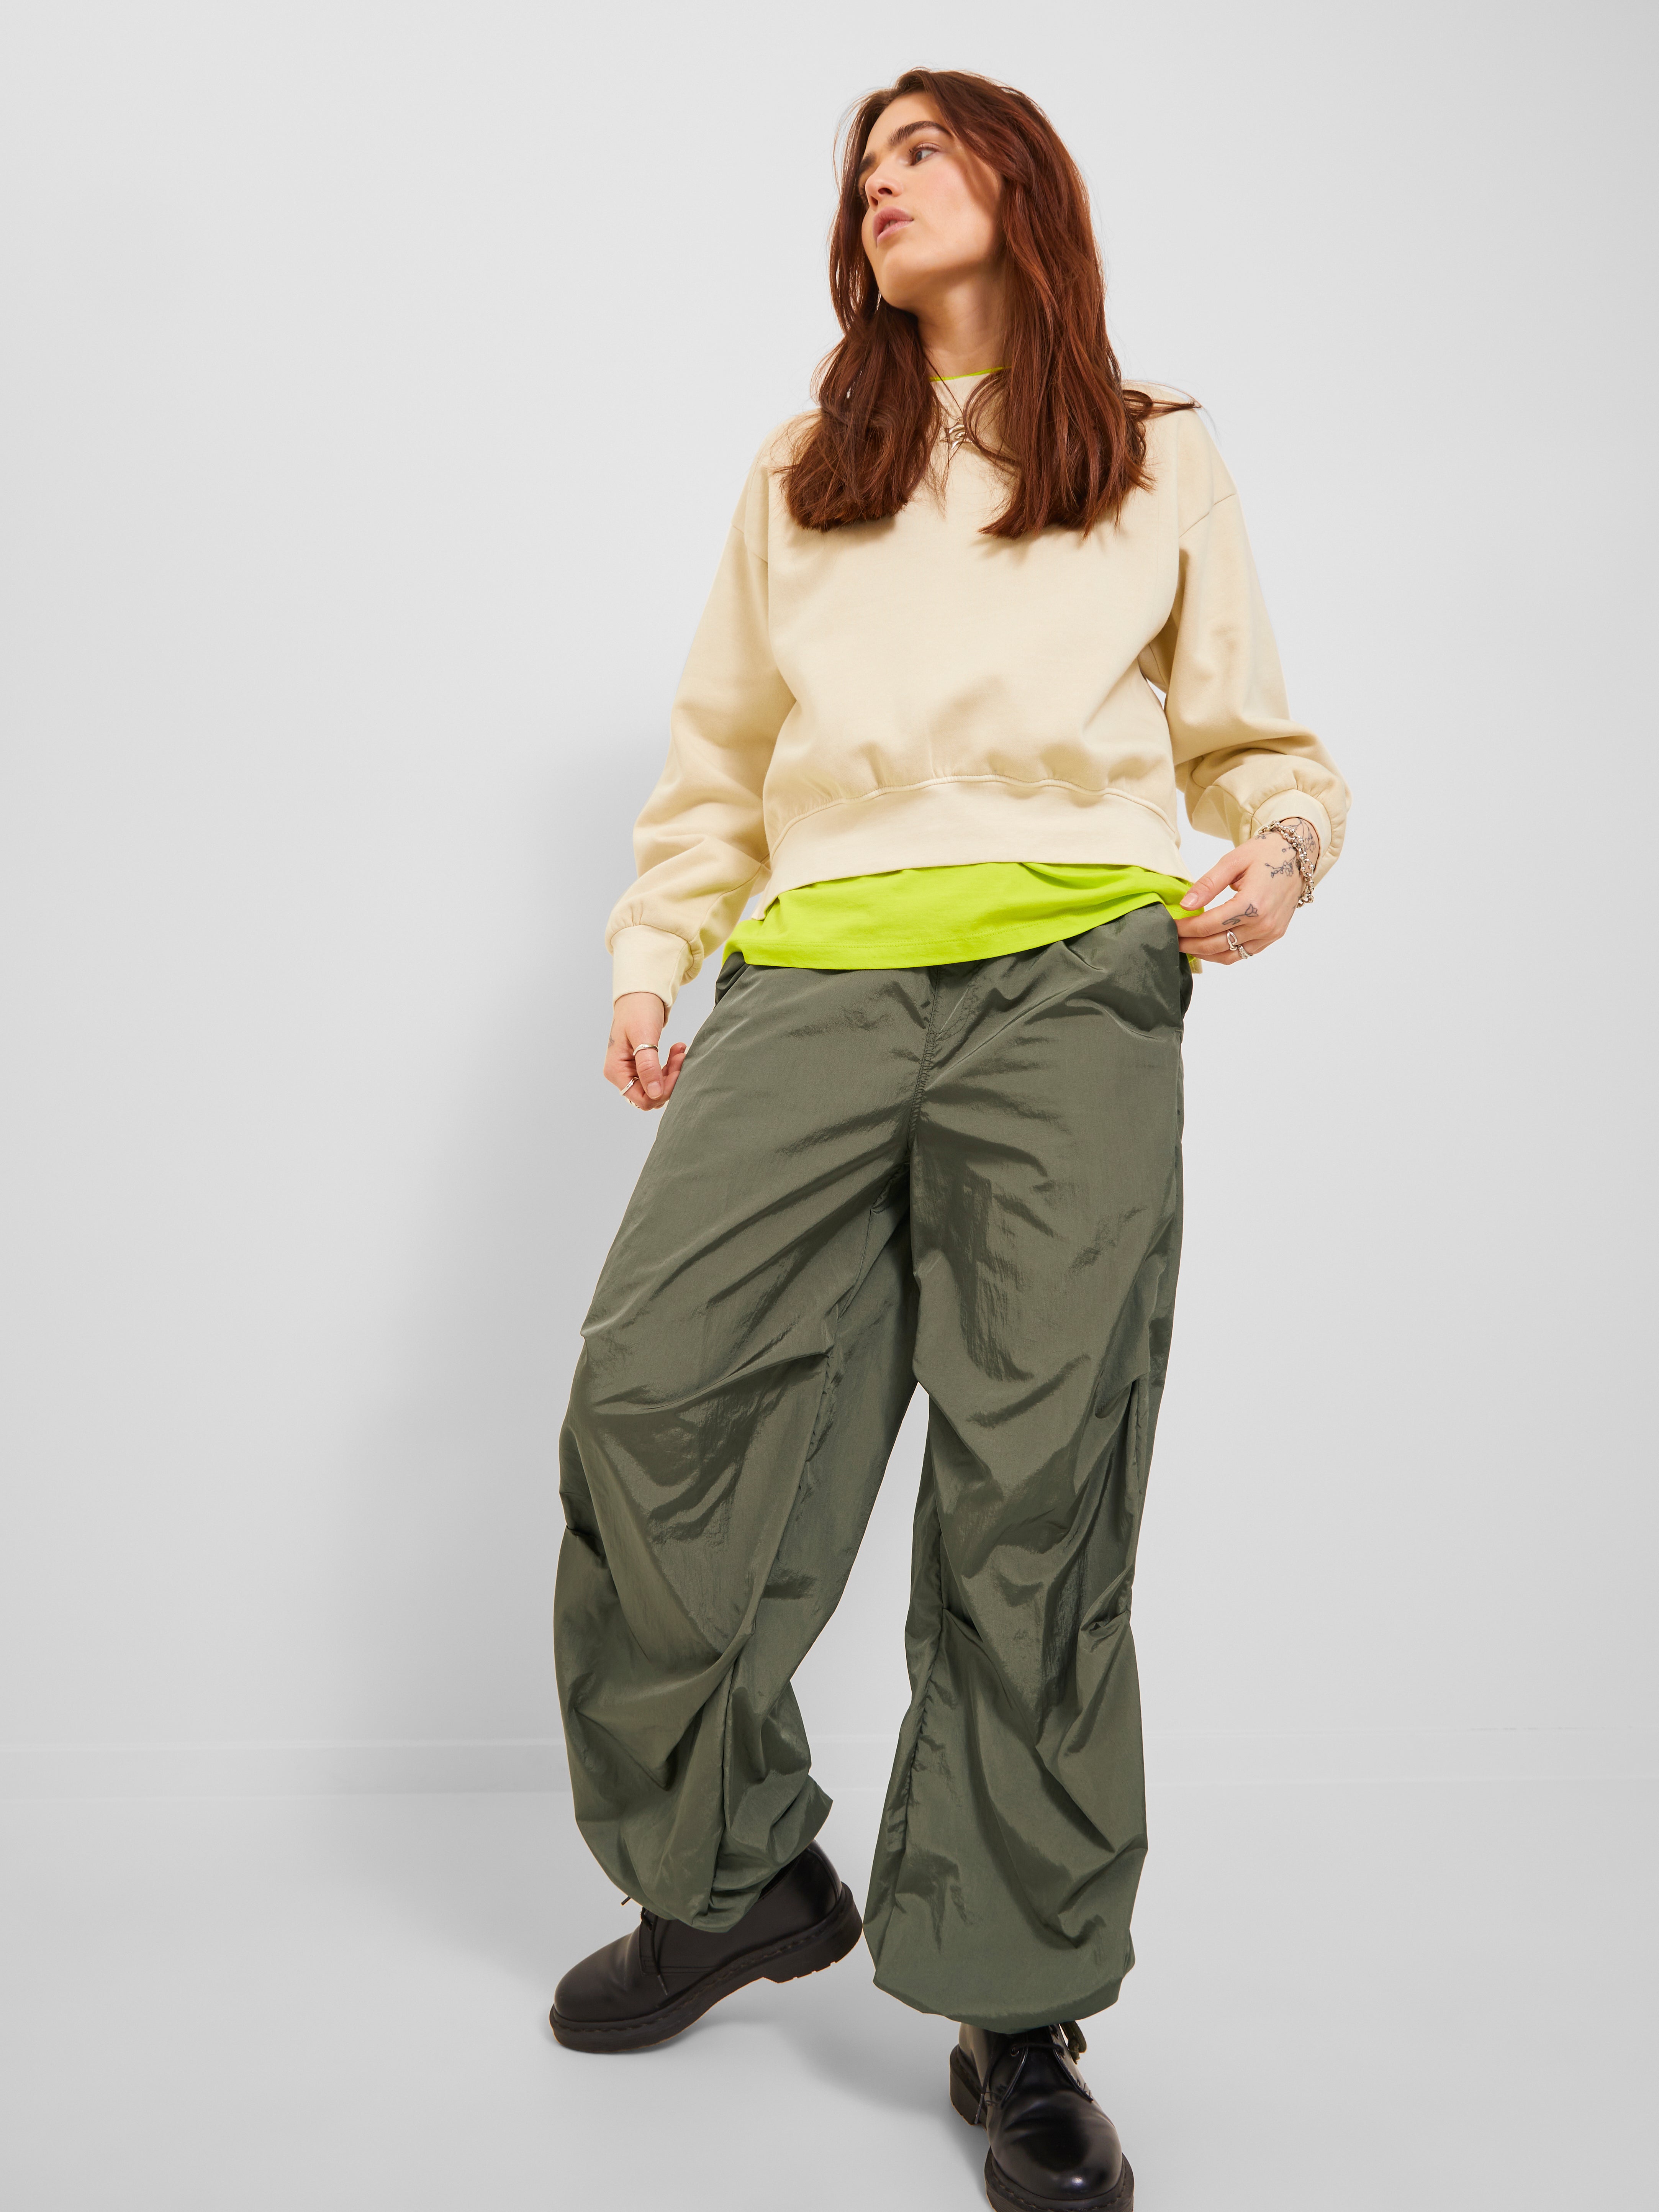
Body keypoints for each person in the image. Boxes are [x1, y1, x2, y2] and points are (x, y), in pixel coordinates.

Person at [549, 66, 1348, 2212]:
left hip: (1073, 982)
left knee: (1036, 1489)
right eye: (863, 165)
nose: (882, 181)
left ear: (1020, 182)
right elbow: (720, 758)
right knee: (652, 1406)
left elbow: (1254, 738)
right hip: (813, 979)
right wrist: (653, 953)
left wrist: (1281, 853)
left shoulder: (1152, 451)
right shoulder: (805, 466)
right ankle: (734, 1874)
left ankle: (1016, 2006)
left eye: (922, 146)